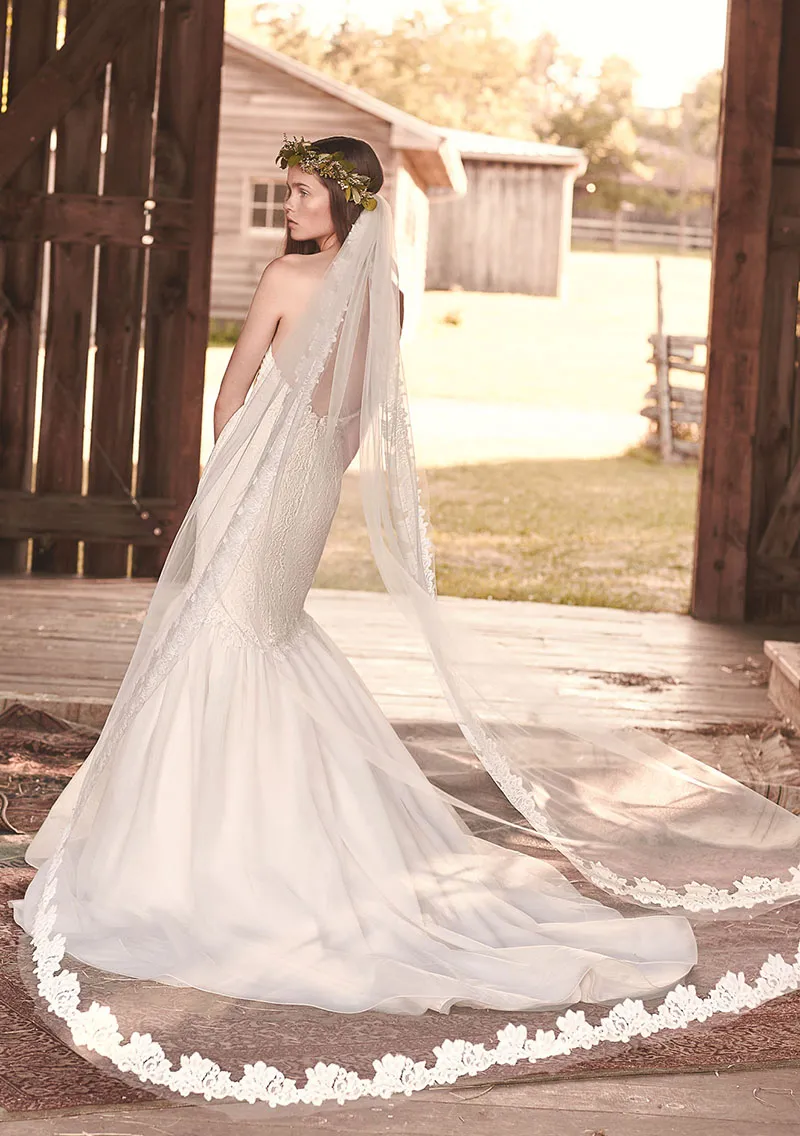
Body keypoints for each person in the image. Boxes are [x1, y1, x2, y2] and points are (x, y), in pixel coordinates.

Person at [10, 135, 800, 1107]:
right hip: (309, 493)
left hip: (263, 486)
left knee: (218, 642)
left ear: (338, 199)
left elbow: (229, 399)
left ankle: (204, 849)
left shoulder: (287, 278)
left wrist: (238, 480)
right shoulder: (380, 294)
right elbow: (356, 418)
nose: (288, 205)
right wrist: (302, 471)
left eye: (298, 192)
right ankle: (266, 821)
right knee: (261, 640)